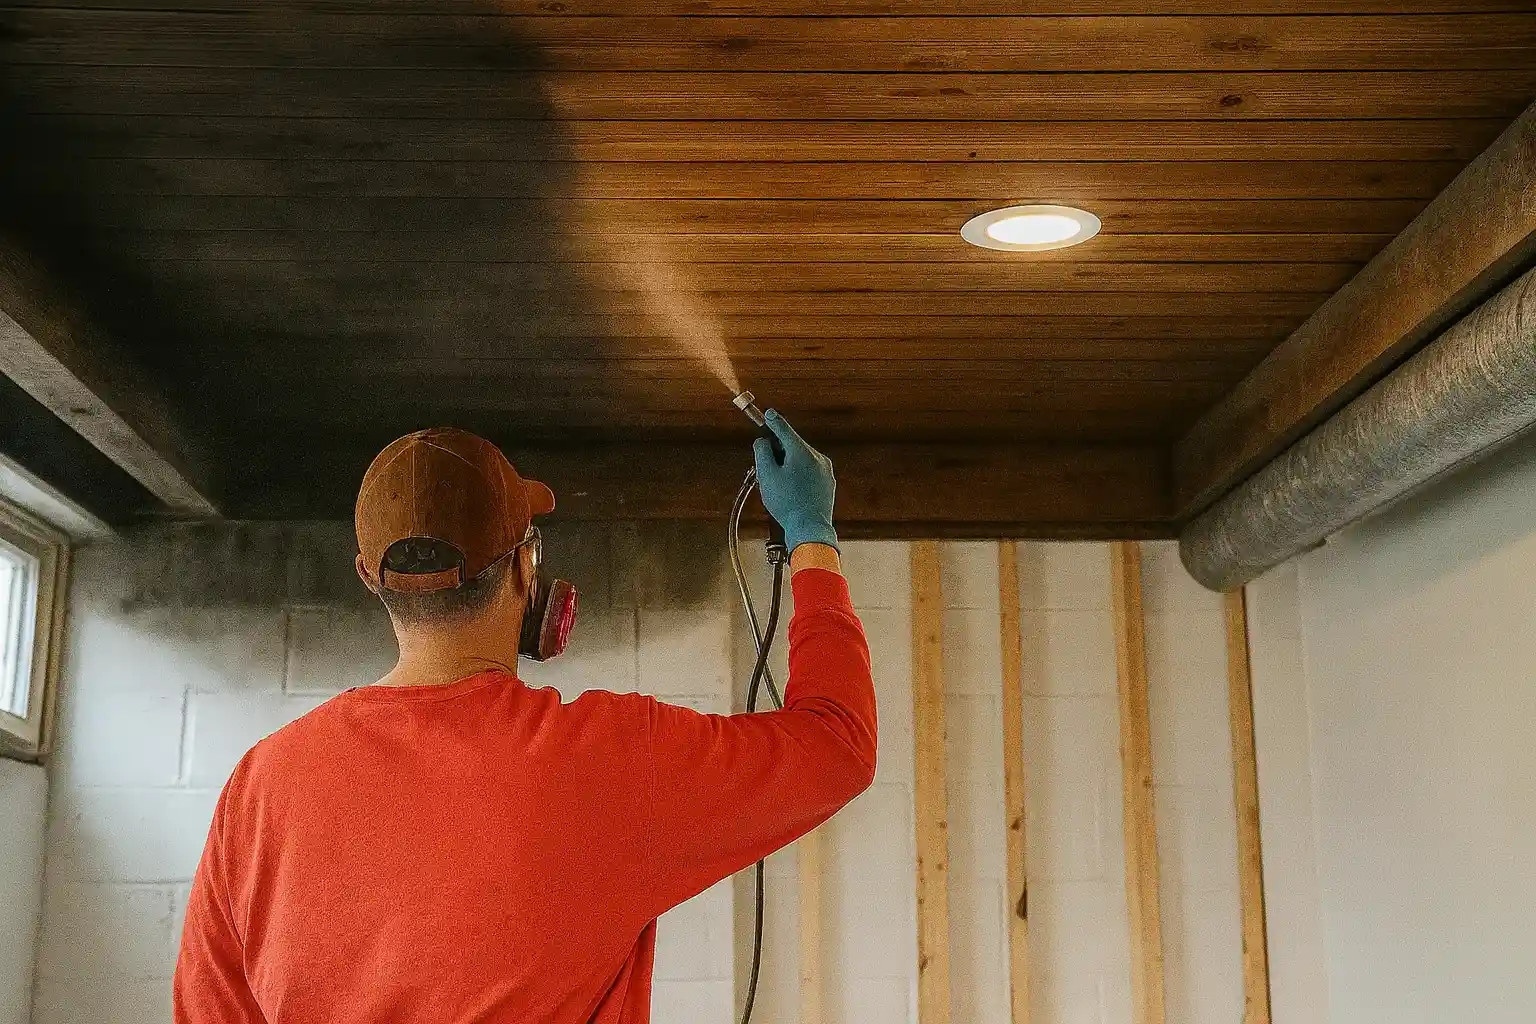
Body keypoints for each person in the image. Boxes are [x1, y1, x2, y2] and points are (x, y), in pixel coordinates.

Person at [172, 411, 878, 1023]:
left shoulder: (260, 785)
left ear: (368, 578)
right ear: (525, 570)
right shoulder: (611, 758)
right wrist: (811, 533)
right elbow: (837, 742)